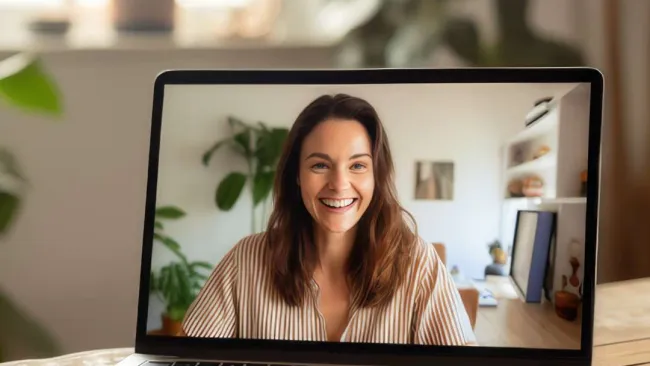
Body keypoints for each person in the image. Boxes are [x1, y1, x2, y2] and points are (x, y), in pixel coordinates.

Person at [181, 94, 476, 346]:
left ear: (377, 177)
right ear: (297, 175)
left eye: (358, 165)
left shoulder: (418, 264)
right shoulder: (245, 261)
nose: (339, 183)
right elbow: (183, 358)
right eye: (320, 165)